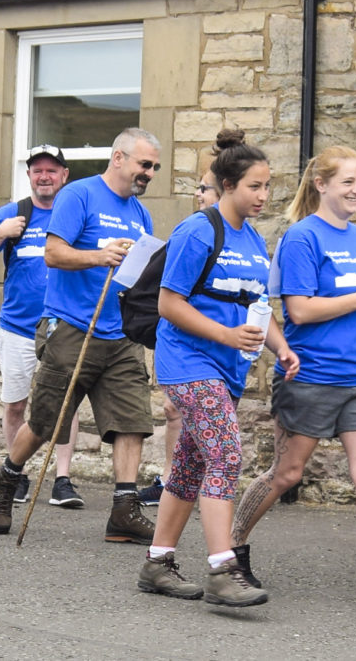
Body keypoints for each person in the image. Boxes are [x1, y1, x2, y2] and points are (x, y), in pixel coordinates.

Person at [230, 145, 356, 611]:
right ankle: (233, 548)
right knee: (287, 473)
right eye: (348, 182)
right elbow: (298, 310)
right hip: (312, 375)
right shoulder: (301, 238)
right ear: (321, 185)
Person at [137, 130, 298, 606]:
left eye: (268, 186)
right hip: (187, 364)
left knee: (188, 467)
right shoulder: (197, 230)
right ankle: (222, 570)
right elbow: (168, 303)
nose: (264, 196)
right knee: (226, 456)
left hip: (227, 369)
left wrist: (281, 347)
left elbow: (258, 305)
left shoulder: (253, 240)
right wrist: (226, 335)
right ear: (228, 185)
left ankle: (158, 563)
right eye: (255, 186)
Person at [0, 127, 161, 543]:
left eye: (153, 167)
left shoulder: (140, 213)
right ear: (118, 158)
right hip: (73, 328)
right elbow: (53, 253)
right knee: (46, 421)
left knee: (131, 421)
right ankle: (6, 479)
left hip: (121, 333)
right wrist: (101, 255)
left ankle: (123, 509)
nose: (149, 173)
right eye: (143, 164)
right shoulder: (78, 195)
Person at [0, 144, 82, 508]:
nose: (44, 176)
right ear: (29, 176)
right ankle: (16, 475)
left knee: (67, 405)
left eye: (52, 170)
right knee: (16, 405)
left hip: (63, 325)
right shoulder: (14, 213)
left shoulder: (74, 212)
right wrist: (0, 232)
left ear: (65, 175)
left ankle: (63, 479)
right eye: (37, 170)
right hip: (17, 326)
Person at [140, 167, 224, 507]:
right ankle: (170, 478)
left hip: (217, 350)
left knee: (183, 417)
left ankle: (178, 484)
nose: (198, 195)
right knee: (174, 409)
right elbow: (169, 298)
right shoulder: (194, 230)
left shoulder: (237, 235)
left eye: (204, 188)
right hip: (183, 345)